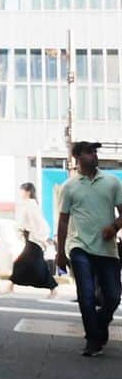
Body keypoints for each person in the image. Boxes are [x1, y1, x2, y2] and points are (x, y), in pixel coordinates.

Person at [55, 141, 122, 357]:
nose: (94, 155)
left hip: (107, 249)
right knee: (86, 295)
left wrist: (114, 227)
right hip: (79, 246)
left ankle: (99, 328)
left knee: (112, 296)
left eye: (95, 152)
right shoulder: (69, 187)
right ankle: (93, 340)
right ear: (77, 157)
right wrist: (60, 253)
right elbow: (63, 221)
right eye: (89, 152)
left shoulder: (112, 182)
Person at [6, 182, 57, 297]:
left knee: (23, 263)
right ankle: (11, 286)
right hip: (31, 237)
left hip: (33, 238)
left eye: (22, 190)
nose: (20, 193)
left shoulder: (30, 204)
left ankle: (11, 286)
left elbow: (35, 222)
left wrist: (39, 238)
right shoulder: (28, 204)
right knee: (31, 264)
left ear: (28, 192)